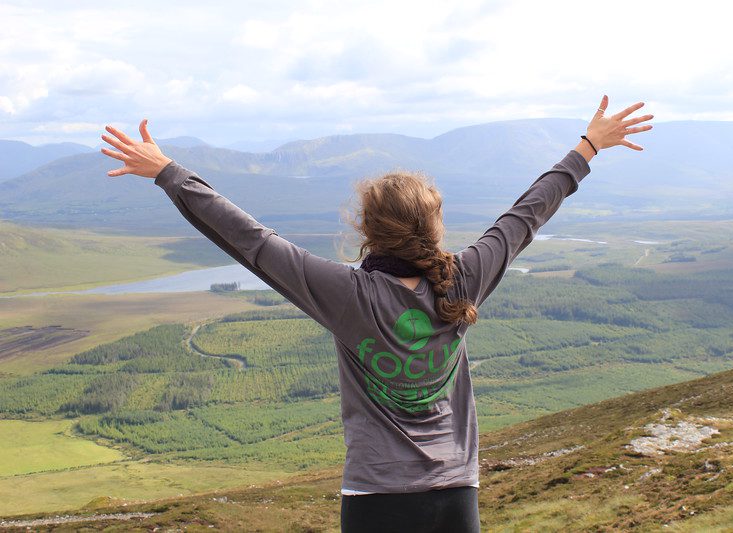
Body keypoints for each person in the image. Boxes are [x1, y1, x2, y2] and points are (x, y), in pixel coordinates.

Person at [100, 95, 652, 532]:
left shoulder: (347, 294)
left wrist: (168, 172)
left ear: (366, 228)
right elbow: (527, 213)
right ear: (434, 229)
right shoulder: (465, 277)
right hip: (458, 495)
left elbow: (248, 239)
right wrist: (586, 147)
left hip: (377, 498)